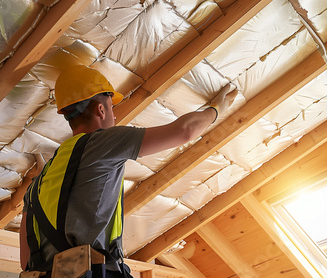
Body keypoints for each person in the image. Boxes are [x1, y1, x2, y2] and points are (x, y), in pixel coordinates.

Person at [19, 65, 237, 277]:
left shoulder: (37, 185)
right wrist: (216, 109)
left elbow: (26, 260)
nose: (114, 117)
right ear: (101, 109)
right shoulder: (101, 143)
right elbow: (185, 130)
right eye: (112, 108)